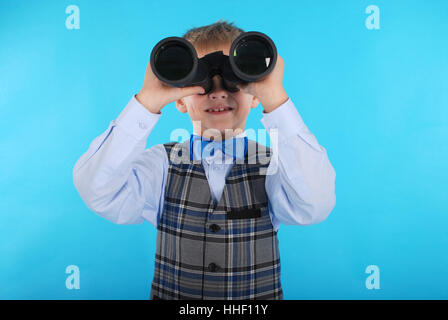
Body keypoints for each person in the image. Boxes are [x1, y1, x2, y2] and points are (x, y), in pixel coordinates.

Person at [73, 19, 336, 300]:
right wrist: (147, 101)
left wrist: (275, 96)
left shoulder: (275, 165)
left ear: (254, 94)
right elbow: (98, 191)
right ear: (180, 98)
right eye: (200, 81)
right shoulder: (162, 164)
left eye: (234, 79)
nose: (218, 91)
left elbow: (314, 206)